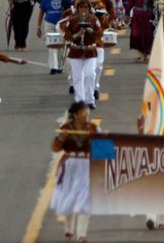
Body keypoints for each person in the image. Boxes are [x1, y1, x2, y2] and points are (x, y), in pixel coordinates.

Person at [51, 102, 99, 242]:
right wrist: (62, 137)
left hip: (87, 166)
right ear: (75, 114)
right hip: (70, 166)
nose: (87, 116)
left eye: (88, 114)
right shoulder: (65, 128)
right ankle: (68, 229)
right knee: (69, 197)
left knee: (86, 198)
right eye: (84, 113)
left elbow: (102, 147)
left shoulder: (93, 128)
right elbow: (55, 148)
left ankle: (82, 234)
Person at [63, 1, 102, 109]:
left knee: (90, 75)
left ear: (89, 9)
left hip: (90, 51)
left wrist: (91, 31)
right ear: (77, 9)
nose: (83, 9)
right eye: (81, 7)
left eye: (86, 7)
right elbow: (66, 35)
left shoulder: (94, 20)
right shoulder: (72, 20)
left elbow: (100, 33)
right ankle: (80, 101)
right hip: (76, 52)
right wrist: (76, 34)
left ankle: (90, 100)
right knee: (77, 78)